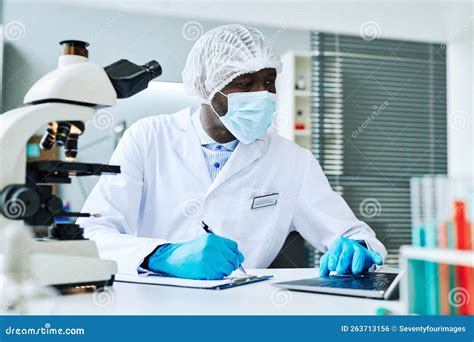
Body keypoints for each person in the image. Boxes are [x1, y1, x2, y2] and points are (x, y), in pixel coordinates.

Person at [77, 24, 386, 280]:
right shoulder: (147, 138)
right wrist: (162, 255)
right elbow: (91, 234)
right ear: (207, 88)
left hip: (242, 310)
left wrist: (356, 248)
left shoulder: (292, 161)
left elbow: (354, 234)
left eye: (269, 82)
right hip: (150, 304)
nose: (262, 95)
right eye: (245, 83)